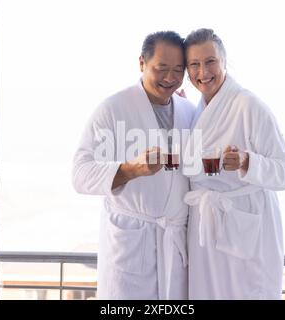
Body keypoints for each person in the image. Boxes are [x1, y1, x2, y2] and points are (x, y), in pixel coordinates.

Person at [72, 31, 195, 299]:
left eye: (178, 70)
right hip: (131, 247)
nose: (170, 78)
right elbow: (80, 175)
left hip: (174, 247)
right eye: (161, 68)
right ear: (142, 63)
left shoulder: (188, 111)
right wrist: (131, 169)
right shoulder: (113, 109)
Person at [182, 28, 285, 299]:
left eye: (210, 61)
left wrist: (248, 162)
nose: (203, 71)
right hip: (206, 228)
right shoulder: (195, 111)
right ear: (187, 71)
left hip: (245, 225)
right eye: (194, 64)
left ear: (224, 61)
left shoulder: (249, 105)